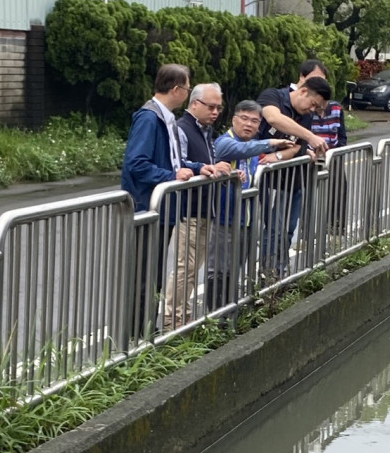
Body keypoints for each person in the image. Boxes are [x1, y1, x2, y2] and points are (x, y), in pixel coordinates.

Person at [121, 64, 215, 337]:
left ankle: (146, 334)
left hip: (163, 208)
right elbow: (136, 163)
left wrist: (197, 168)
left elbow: (174, 161)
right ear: (176, 89)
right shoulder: (150, 118)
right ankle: (138, 338)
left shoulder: (166, 118)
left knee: (154, 276)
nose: (187, 94)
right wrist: (171, 174)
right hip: (148, 207)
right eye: (187, 88)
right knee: (145, 277)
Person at [207, 100, 295, 310]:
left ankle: (231, 313)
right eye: (244, 119)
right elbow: (241, 149)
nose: (248, 124)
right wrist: (271, 143)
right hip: (224, 218)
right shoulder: (224, 142)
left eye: (254, 121)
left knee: (235, 270)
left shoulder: (253, 147)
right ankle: (215, 317)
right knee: (218, 271)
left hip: (246, 220)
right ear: (233, 119)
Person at [162, 83, 233, 330]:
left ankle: (183, 316)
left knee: (193, 268)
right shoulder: (183, 129)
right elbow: (179, 162)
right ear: (194, 104)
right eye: (210, 107)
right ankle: (173, 321)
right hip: (187, 209)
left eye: (218, 108)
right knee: (185, 268)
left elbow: (208, 163)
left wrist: (222, 169)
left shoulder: (206, 131)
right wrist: (199, 168)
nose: (215, 112)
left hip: (205, 209)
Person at [254, 76, 331, 277]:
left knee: (288, 230)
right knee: (273, 229)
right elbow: (273, 118)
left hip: (294, 179)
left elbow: (297, 147)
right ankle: (267, 275)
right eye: (313, 104)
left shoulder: (306, 114)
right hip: (269, 181)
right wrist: (309, 136)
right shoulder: (274, 96)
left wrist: (279, 155)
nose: (312, 110)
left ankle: (279, 272)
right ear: (303, 91)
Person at [310, 99, 349, 251]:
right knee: (307, 194)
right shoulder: (307, 110)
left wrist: (335, 153)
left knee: (339, 190)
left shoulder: (336, 109)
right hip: (310, 156)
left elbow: (342, 136)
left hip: (332, 155)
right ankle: (305, 235)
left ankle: (336, 232)